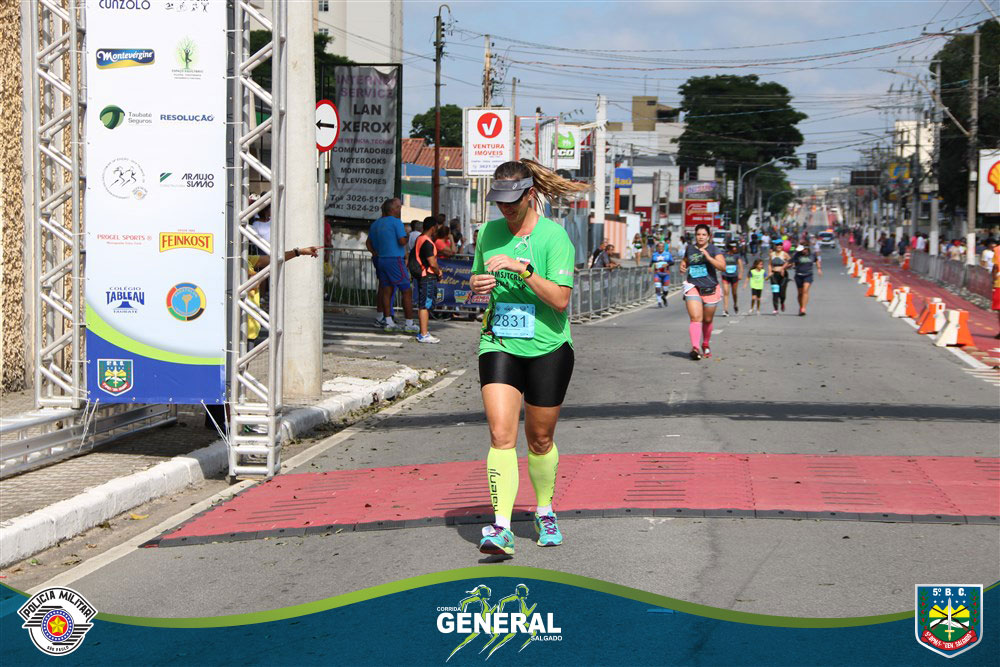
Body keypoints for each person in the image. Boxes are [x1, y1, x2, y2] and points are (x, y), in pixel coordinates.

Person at [469, 158, 587, 556]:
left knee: (539, 439)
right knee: (501, 435)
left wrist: (523, 269)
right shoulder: (488, 232)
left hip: (548, 347)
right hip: (499, 342)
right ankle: (501, 528)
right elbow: (475, 278)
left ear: (530, 194)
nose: (505, 208)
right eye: (499, 201)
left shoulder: (555, 237)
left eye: (512, 201)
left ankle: (545, 511)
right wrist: (478, 284)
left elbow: (560, 300)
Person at [366, 198, 417, 333]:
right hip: (394, 259)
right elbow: (401, 241)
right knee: (406, 290)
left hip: (381, 259)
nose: (400, 209)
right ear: (392, 209)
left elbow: (368, 243)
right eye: (398, 207)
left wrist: (375, 253)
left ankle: (387, 321)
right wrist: (408, 236)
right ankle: (409, 323)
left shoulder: (376, 223)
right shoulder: (396, 222)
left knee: (386, 290)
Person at [680, 223, 726, 360]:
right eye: (698, 234)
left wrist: (709, 258)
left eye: (704, 235)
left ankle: (705, 343)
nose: (701, 237)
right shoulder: (690, 248)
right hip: (693, 285)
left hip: (710, 287)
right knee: (695, 318)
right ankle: (695, 348)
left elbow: (722, 267)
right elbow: (686, 260)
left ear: (708, 237)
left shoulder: (714, 249)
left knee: (707, 319)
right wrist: (683, 265)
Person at [410, 217, 443, 343]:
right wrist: (439, 272)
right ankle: (424, 334)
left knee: (423, 304)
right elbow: (432, 263)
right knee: (425, 304)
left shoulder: (420, 238)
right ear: (433, 228)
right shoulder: (427, 242)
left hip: (422, 275)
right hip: (427, 276)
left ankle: (423, 332)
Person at [790, 244, 821, 316]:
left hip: (808, 275)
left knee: (805, 290)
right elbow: (789, 262)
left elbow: (817, 261)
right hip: (798, 275)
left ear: (807, 249)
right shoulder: (797, 255)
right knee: (800, 293)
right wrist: (783, 268)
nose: (802, 251)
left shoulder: (812, 255)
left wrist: (819, 269)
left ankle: (803, 308)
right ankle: (801, 307)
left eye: (803, 249)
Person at [720, 240, 744, 316]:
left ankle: (735, 304)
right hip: (725, 275)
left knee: (734, 293)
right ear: (730, 247)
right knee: (726, 292)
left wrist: (740, 274)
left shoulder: (737, 255)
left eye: (736, 247)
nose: (735, 248)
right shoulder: (724, 255)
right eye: (734, 247)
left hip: (734, 276)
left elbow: (741, 265)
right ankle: (725, 310)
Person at [768, 239, 791, 315]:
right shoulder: (772, 254)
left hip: (783, 276)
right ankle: (775, 309)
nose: (779, 246)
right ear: (775, 246)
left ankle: (782, 302)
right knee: (775, 292)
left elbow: (791, 262)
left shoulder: (785, 254)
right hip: (774, 275)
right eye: (777, 245)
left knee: (782, 293)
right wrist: (770, 272)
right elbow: (769, 264)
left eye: (780, 245)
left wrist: (784, 268)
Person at [649, 242, 674, 308]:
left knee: (665, 289)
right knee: (657, 287)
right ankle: (659, 302)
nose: (660, 248)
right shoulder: (654, 254)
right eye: (659, 246)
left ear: (664, 247)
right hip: (657, 273)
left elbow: (672, 262)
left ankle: (664, 297)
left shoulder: (668, 254)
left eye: (662, 246)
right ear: (657, 247)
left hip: (666, 274)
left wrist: (667, 264)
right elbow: (652, 262)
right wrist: (650, 267)